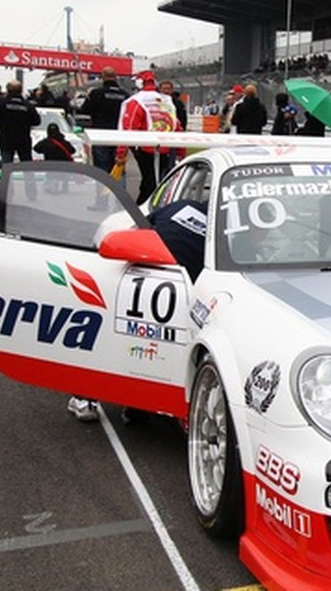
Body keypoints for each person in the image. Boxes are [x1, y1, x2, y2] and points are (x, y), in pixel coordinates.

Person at [68, 197, 208, 423]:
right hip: (182, 293)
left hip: (142, 279)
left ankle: (87, 398)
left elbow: (136, 230)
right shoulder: (227, 231)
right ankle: (139, 405)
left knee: (108, 334)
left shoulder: (180, 206)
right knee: (154, 347)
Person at [113, 70, 181, 204]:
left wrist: (121, 153)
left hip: (145, 148)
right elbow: (176, 125)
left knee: (150, 183)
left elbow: (128, 128)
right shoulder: (167, 100)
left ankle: (141, 210)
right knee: (157, 181)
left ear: (139, 83)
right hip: (166, 147)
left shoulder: (134, 101)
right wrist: (180, 151)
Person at [79, 66, 129, 175]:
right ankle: (118, 190)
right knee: (118, 166)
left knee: (101, 170)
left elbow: (84, 110)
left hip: (100, 134)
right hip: (119, 135)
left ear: (103, 77)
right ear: (116, 77)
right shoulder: (125, 95)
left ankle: (103, 191)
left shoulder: (96, 93)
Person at [0, 80, 41, 164]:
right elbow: (37, 121)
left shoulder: (1, 104)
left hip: (6, 139)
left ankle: (7, 176)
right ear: (21, 90)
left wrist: (2, 120)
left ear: (8, 90)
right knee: (27, 167)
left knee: (6, 167)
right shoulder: (28, 105)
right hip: (23, 140)